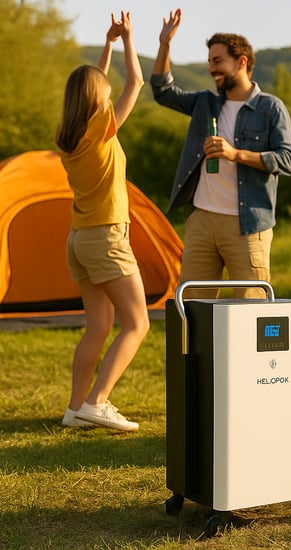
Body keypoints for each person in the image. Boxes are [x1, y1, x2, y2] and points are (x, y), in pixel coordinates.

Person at [150, 9, 291, 299]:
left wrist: (236, 154)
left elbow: (288, 160)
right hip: (202, 221)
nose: (211, 68)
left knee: (251, 310)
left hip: (247, 225)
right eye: (209, 62)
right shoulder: (205, 103)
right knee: (191, 311)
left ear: (241, 61)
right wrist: (165, 45)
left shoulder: (271, 108)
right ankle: (197, 349)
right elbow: (162, 92)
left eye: (217, 61)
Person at [56, 11, 148, 431]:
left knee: (98, 325)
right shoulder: (103, 130)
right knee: (137, 322)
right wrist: (127, 40)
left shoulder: (73, 135)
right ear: (98, 100)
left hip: (79, 238)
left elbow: (98, 84)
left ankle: (76, 408)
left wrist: (106, 47)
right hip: (106, 237)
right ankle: (97, 401)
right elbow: (136, 83)